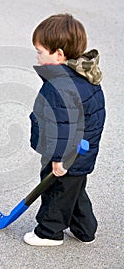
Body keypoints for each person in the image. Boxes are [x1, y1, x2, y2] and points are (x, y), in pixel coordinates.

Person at [24, 14, 105, 246]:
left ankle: (49, 233)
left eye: (40, 51)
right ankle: (84, 229)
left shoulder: (59, 85)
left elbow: (62, 127)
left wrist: (59, 159)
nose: (37, 57)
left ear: (59, 54)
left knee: (56, 192)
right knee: (75, 190)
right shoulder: (84, 75)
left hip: (65, 154)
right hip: (81, 153)